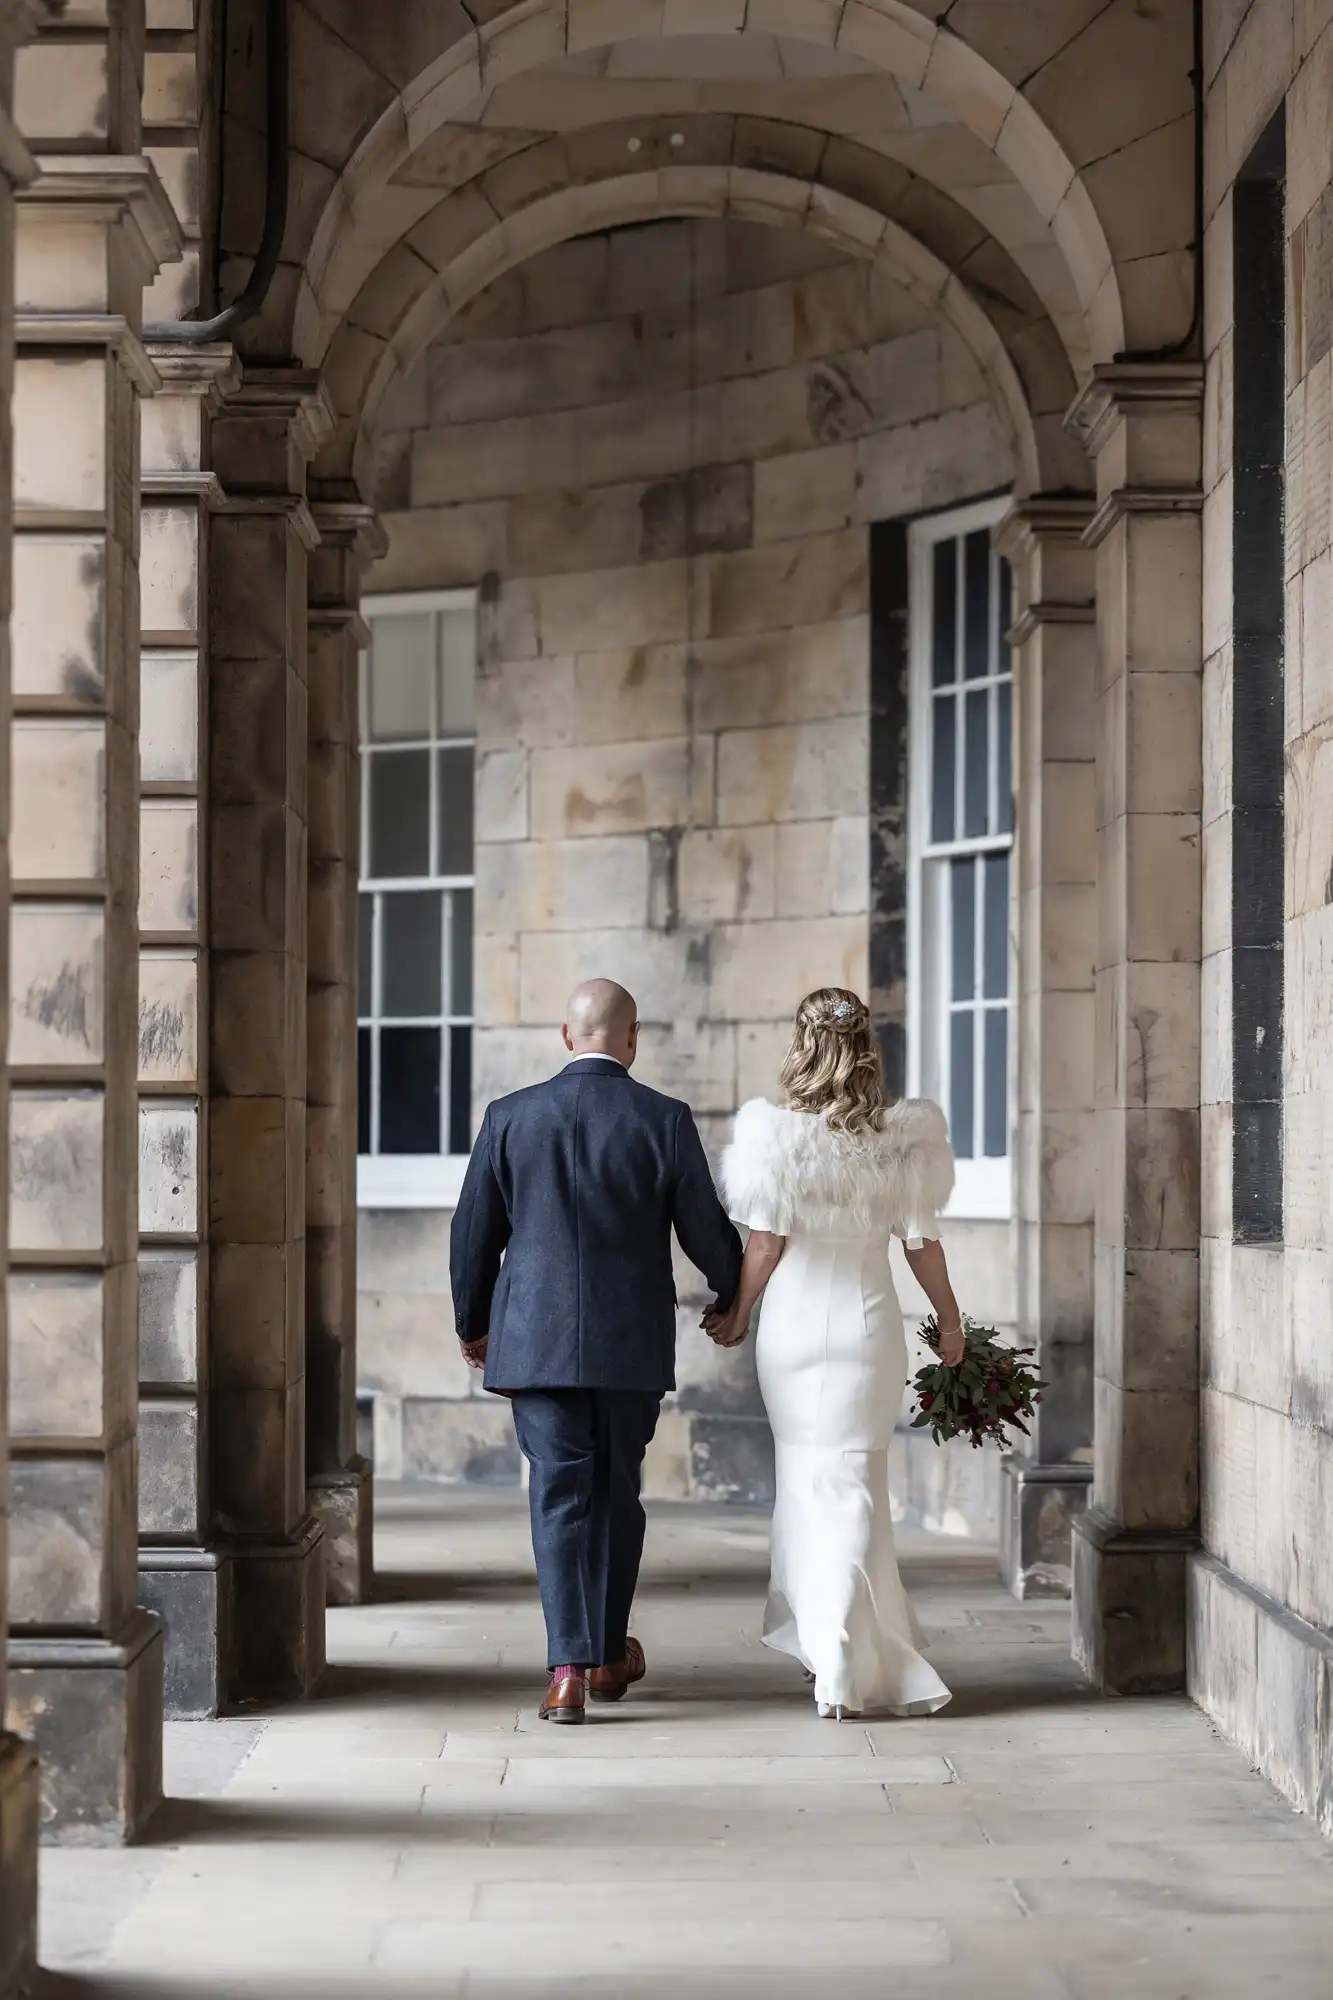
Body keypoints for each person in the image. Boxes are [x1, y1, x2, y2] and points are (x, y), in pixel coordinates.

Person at [450, 978, 742, 1725]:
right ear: (632, 1038)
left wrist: (473, 1323)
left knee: (558, 1498)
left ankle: (567, 1670)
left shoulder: (509, 1116)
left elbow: (472, 1235)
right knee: (615, 1497)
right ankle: (606, 1653)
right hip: (628, 1343)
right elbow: (704, 1229)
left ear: (564, 1034)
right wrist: (732, 1291)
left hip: (535, 1343)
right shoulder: (662, 1118)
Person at [707, 987, 962, 1720]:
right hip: (866, 1324)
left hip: (790, 1329)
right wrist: (949, 1321)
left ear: (801, 1043)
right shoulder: (903, 1138)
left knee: (808, 1479)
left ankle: (837, 1648)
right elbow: (921, 1243)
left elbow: (763, 1245)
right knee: (853, 1479)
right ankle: (840, 1643)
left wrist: (738, 1314)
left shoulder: (773, 1136)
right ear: (866, 1046)